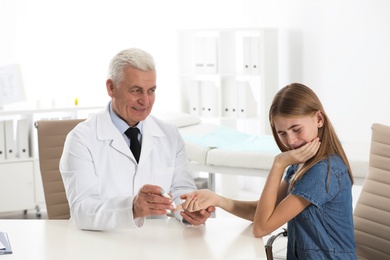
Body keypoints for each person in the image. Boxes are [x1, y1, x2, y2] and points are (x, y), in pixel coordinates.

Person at [176, 83, 357, 259]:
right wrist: (218, 199)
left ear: (319, 119)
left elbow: (261, 227)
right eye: (282, 133)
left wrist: (279, 163)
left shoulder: (323, 171)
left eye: (296, 129)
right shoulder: (300, 164)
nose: (291, 141)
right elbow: (262, 212)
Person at [60, 48, 214, 231]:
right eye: (136, 90)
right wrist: (132, 208)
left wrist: (190, 211)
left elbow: (180, 190)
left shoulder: (170, 134)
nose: (145, 101)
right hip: (102, 243)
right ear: (111, 88)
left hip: (156, 243)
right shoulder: (81, 139)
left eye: (151, 91)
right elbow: (81, 210)